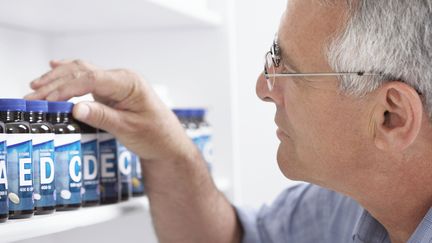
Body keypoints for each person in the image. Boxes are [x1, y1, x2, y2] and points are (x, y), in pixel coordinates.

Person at [24, 0, 432, 242]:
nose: (263, 87)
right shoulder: (350, 199)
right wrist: (167, 146)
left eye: (286, 71)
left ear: (390, 117)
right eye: (272, 58)